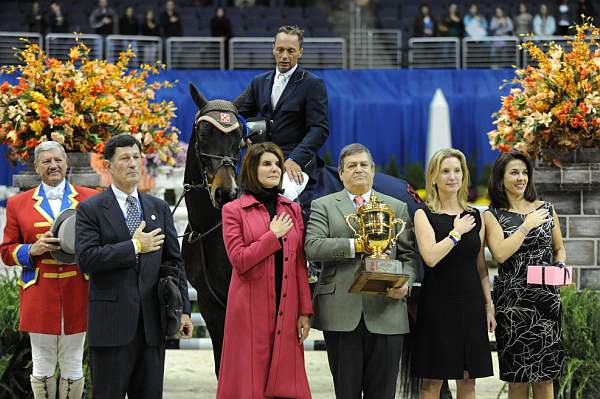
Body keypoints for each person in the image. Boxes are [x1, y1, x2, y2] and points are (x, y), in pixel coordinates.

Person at [75, 134, 193, 398]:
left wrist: (183, 309)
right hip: (111, 327)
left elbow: (174, 262)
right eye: (125, 158)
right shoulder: (91, 209)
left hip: (152, 326)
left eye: (136, 157)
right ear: (107, 165)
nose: (132, 164)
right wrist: (134, 246)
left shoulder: (158, 208)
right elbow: (87, 259)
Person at [305, 143, 419, 398]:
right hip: (341, 313)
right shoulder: (323, 205)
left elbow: (410, 257)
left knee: (383, 393)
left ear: (373, 171)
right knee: (346, 393)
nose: (359, 170)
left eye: (364, 165)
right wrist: (357, 245)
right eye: (352, 166)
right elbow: (312, 247)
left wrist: (406, 283)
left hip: (388, 313)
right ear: (341, 174)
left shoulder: (396, 206)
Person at [0, 141, 97, 399]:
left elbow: (102, 241)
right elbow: (6, 251)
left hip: (78, 288)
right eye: (46, 161)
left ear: (66, 163)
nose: (53, 165)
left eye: (58, 160)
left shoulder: (91, 198)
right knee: (41, 362)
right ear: (36, 167)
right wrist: (32, 249)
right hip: (39, 291)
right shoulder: (17, 204)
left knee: (73, 360)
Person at [217, 142, 313, 399]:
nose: (274, 169)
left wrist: (305, 310)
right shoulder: (232, 210)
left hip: (288, 306)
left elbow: (299, 264)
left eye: (277, 164)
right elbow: (239, 260)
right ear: (252, 168)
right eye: (266, 164)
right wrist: (272, 236)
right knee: (249, 383)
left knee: (287, 382)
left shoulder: (292, 209)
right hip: (248, 309)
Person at [411, 149, 495, 398]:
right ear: (434, 177)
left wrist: (489, 305)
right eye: (445, 171)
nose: (452, 176)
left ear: (464, 175)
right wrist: (456, 233)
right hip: (437, 303)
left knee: (469, 381)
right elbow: (431, 257)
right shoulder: (423, 214)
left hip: (471, 303)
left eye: (457, 170)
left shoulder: (475, 217)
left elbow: (480, 267)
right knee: (433, 381)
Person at [484, 152, 566, 398]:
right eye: (514, 172)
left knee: (545, 378)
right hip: (513, 305)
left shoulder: (546, 209)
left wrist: (560, 265)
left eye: (524, 172)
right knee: (517, 379)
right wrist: (526, 225)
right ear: (500, 179)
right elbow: (499, 254)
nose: (521, 178)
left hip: (547, 302)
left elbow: (558, 248)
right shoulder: (492, 215)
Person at [238, 25, 329, 198]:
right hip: (262, 160)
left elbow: (319, 129)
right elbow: (240, 114)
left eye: (291, 51)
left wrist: (295, 159)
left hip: (295, 161)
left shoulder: (313, 84)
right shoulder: (259, 81)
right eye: (280, 50)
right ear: (273, 49)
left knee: (283, 197)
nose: (285, 56)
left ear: (300, 52)